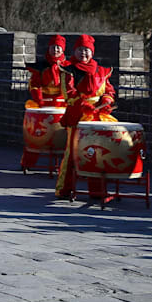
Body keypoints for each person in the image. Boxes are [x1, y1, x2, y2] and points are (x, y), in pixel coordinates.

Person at [55, 34, 117, 199]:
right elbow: (68, 93)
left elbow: (109, 90)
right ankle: (64, 189)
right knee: (72, 153)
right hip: (77, 115)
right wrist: (83, 104)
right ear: (75, 51)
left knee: (97, 154)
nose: (84, 53)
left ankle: (98, 191)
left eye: (87, 50)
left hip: (97, 117)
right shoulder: (68, 69)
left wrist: (106, 100)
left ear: (92, 52)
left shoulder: (101, 70)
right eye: (80, 50)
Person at [21, 34, 67, 169]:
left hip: (62, 104)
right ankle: (28, 163)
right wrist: (38, 96)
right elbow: (34, 84)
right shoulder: (41, 66)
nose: (56, 50)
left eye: (58, 48)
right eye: (53, 47)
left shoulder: (69, 67)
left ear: (63, 50)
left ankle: (66, 166)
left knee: (65, 138)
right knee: (35, 136)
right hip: (43, 104)